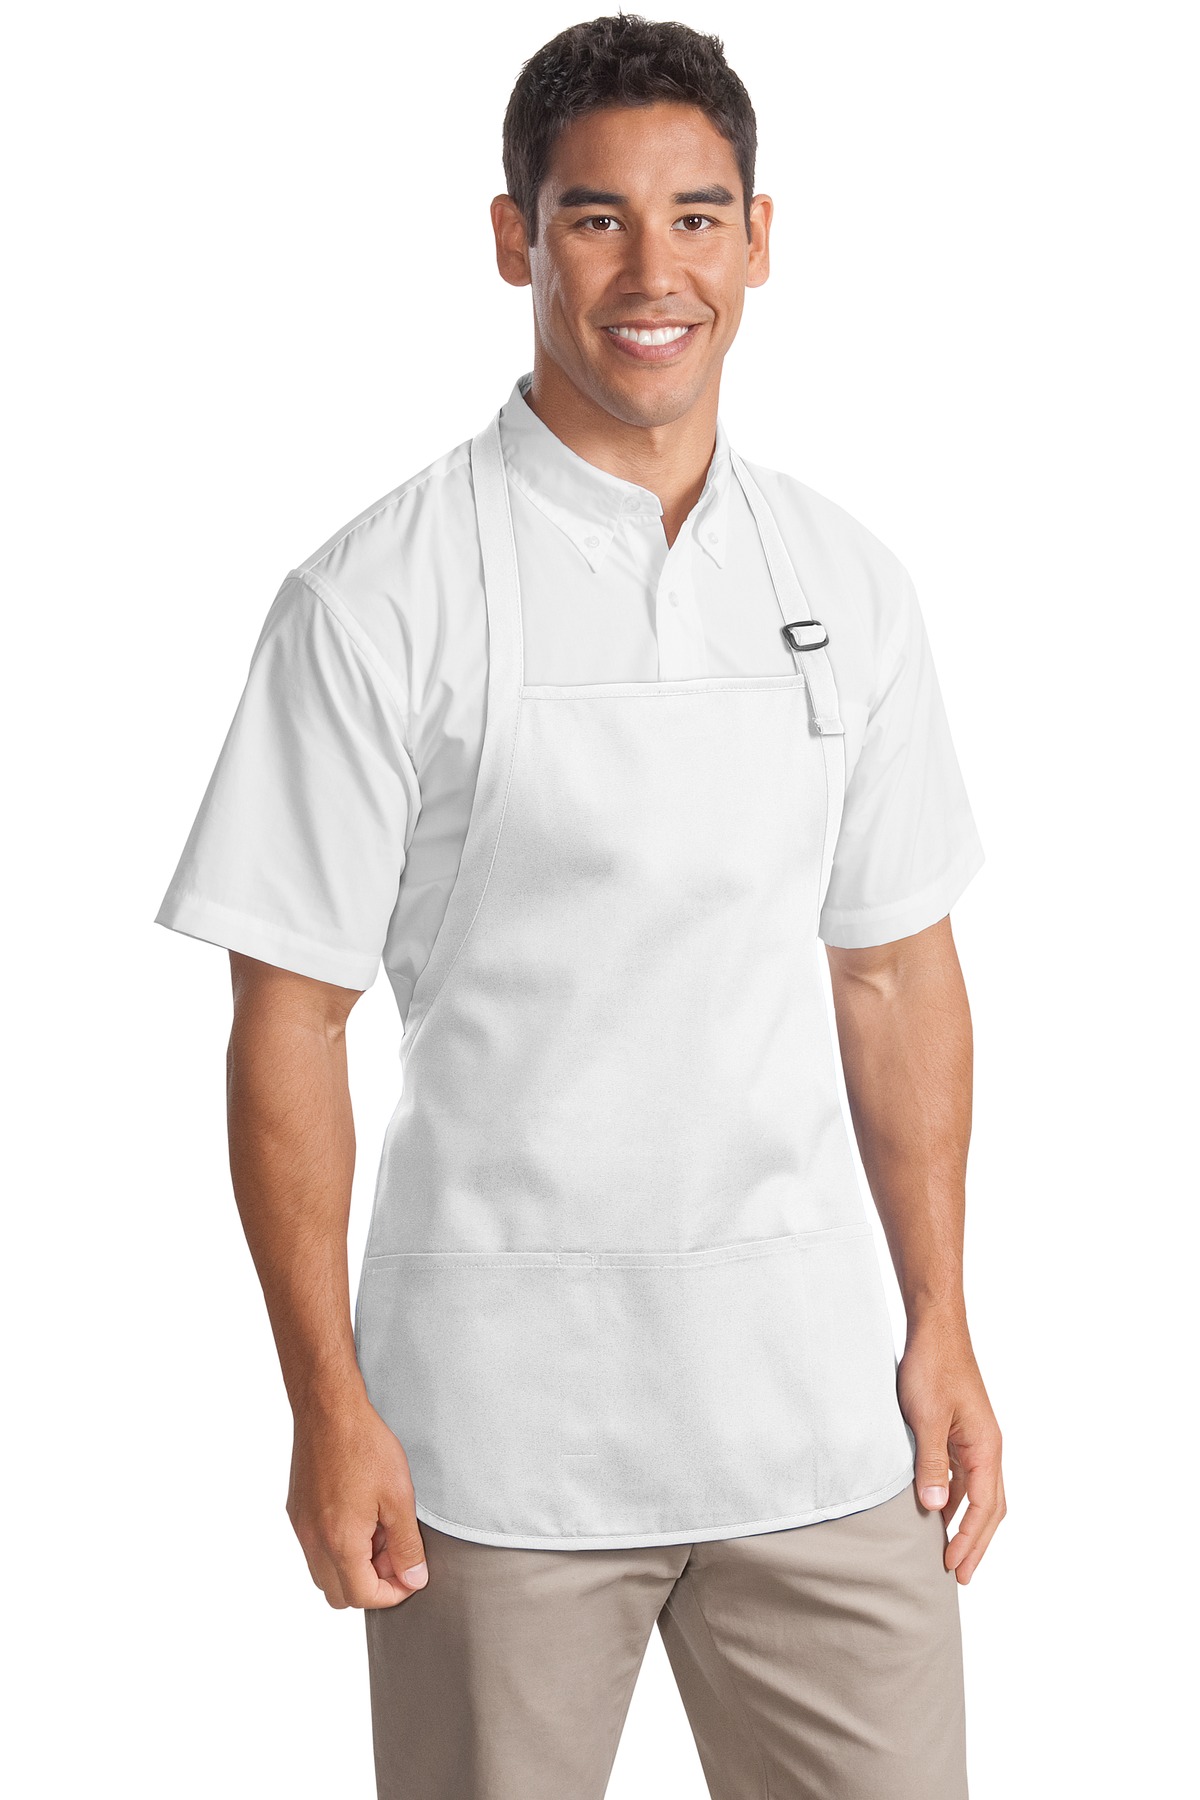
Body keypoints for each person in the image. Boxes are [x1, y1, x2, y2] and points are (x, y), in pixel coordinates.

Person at [156, 13, 1004, 1797]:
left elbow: (894, 975)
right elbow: (290, 1019)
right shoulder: (376, 598)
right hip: (494, 1447)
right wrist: (327, 1405)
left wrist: (942, 1318)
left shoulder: (848, 583)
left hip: (815, 1421)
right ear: (513, 238)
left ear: (759, 242)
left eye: (696, 218)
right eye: (596, 217)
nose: (652, 271)